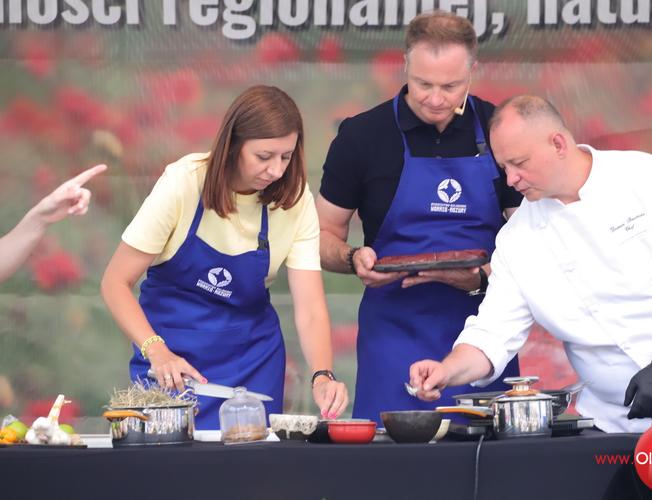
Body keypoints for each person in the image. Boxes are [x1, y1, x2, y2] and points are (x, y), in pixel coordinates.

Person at [409, 95, 652, 433]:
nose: (511, 179)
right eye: (504, 168)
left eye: (520, 163)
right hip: (618, 422)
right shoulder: (517, 239)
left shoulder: (647, 178)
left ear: (558, 144)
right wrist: (447, 371)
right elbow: (493, 332)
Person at [101, 85, 348, 429]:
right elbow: (115, 282)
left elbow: (310, 307)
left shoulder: (295, 199)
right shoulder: (184, 182)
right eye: (264, 156)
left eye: (286, 157)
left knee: (252, 462)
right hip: (171, 363)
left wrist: (322, 375)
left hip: (252, 363)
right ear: (232, 145)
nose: (276, 170)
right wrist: (156, 350)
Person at [316, 11, 521, 423]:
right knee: (392, 455)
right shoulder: (362, 136)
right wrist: (353, 258)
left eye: (451, 86)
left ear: (473, 70)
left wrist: (481, 277)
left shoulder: (501, 131)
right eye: (424, 84)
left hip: (484, 331)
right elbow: (319, 236)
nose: (436, 99)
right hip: (393, 333)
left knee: (485, 454)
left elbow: (533, 244)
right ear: (405, 64)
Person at [0, 164, 107, 284]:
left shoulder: (77, 225)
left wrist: (39, 218)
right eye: (40, 188)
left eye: (48, 186)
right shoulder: (10, 214)